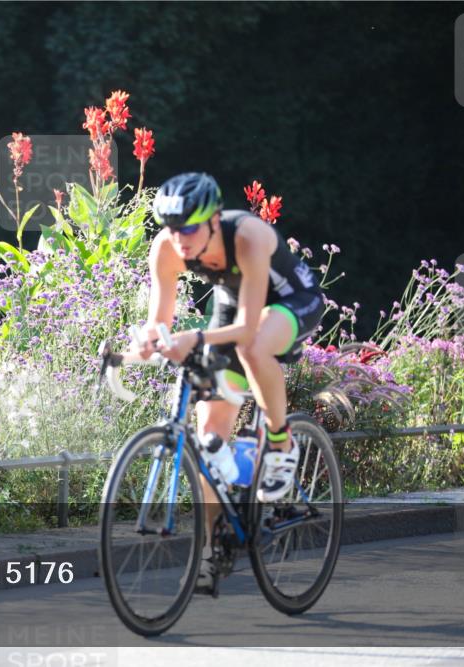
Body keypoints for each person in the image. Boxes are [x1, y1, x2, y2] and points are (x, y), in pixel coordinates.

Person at [136, 171, 324, 590]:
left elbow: (244, 329)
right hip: (234, 304)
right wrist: (145, 345)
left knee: (253, 347)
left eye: (188, 228)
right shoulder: (166, 249)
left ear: (213, 220)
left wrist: (195, 337)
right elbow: (160, 322)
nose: (179, 239)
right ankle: (215, 546)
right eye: (171, 228)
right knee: (207, 439)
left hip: (291, 299)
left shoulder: (248, 236)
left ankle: (280, 441)